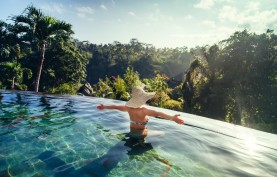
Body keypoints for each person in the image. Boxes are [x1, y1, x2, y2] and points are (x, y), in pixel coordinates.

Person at [97, 86, 184, 138]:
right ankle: (142, 144)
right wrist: (172, 118)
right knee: (162, 133)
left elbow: (116, 107)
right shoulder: (143, 110)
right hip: (140, 134)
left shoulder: (128, 108)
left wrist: (104, 107)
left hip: (131, 132)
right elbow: (158, 113)